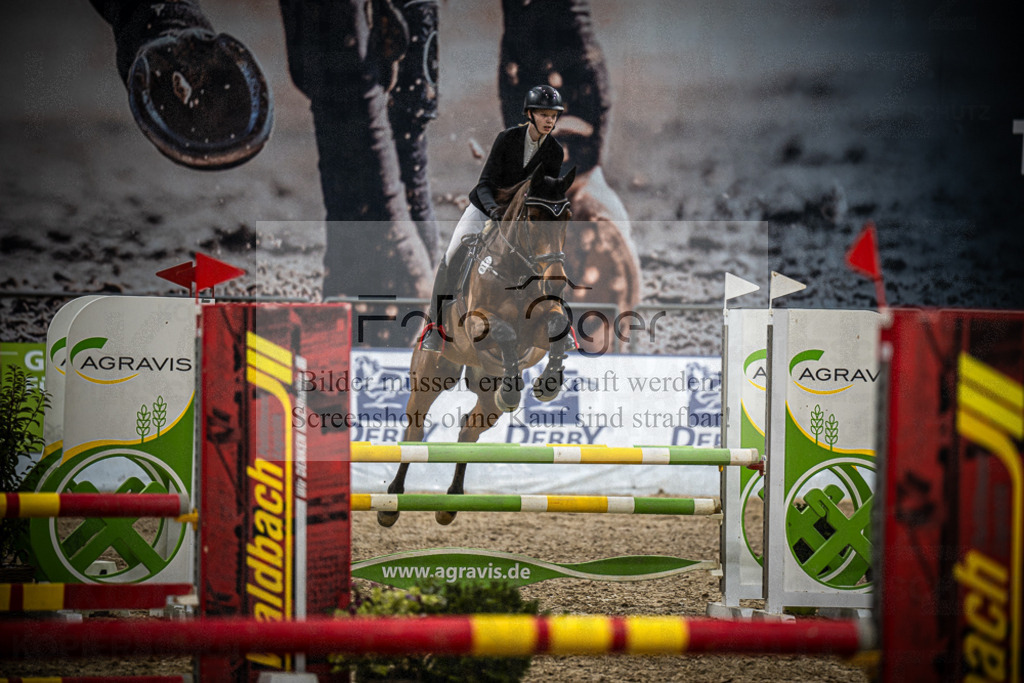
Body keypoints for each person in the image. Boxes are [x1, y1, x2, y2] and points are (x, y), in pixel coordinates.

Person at [419, 85, 566, 352]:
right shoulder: (507, 139)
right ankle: (435, 327)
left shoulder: (555, 151)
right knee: (452, 255)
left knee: (549, 258)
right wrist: (496, 211)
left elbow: (545, 193)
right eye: (544, 115)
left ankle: (555, 323)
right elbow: (485, 183)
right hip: (486, 208)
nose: (550, 121)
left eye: (553, 116)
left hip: (521, 219)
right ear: (530, 114)